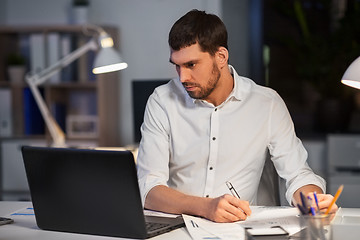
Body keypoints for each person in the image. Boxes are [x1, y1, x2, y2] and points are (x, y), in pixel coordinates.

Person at [136, 9, 337, 223]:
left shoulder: (266, 103)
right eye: (177, 66)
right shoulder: (161, 101)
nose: (183, 77)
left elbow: (298, 174)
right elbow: (148, 189)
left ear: (221, 57)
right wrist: (205, 207)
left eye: (191, 65)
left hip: (241, 229)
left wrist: (312, 200)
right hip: (178, 228)